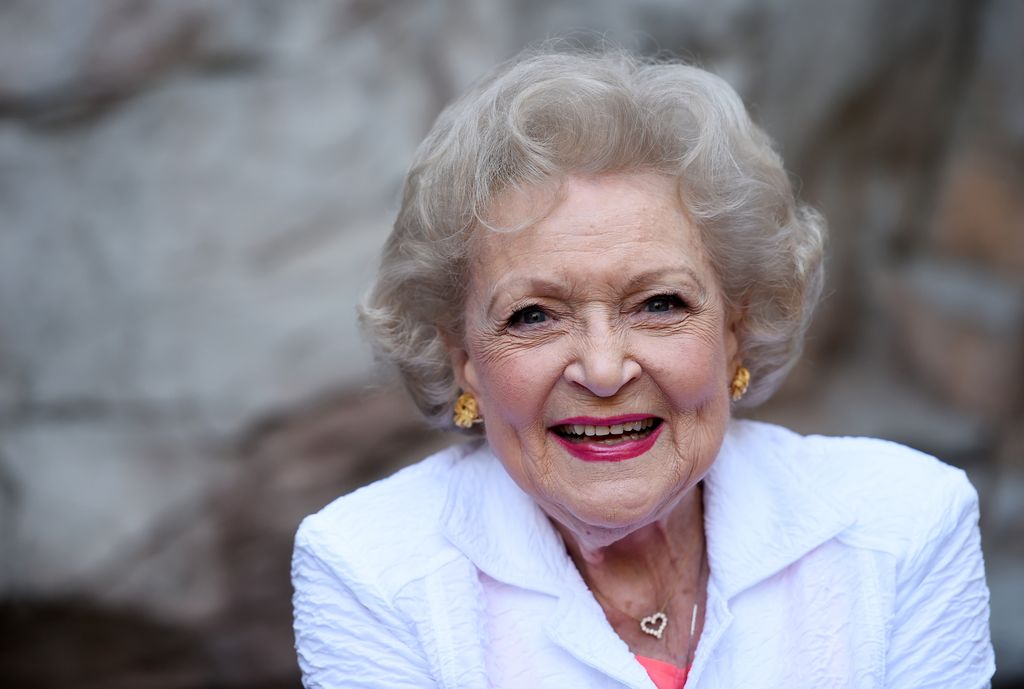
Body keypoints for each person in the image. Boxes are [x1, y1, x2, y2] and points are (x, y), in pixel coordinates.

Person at [291, 47, 994, 689]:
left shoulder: (901, 523)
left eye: (658, 303)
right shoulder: (373, 568)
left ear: (734, 331)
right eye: (533, 315)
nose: (601, 369)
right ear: (464, 359)